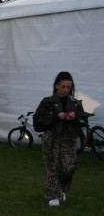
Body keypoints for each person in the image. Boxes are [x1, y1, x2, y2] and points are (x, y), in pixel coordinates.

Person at [33, 71, 86, 207]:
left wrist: (74, 119)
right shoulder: (48, 102)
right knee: (51, 167)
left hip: (68, 139)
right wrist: (56, 117)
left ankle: (60, 190)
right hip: (52, 138)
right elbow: (38, 122)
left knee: (69, 167)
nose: (66, 90)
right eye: (63, 87)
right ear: (56, 86)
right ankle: (52, 195)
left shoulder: (75, 103)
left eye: (68, 87)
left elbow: (82, 122)